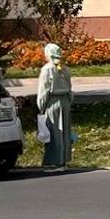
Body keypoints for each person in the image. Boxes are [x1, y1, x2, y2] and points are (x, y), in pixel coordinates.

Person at [37, 42, 74, 172]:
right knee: (65, 132)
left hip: (53, 102)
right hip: (65, 102)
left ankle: (54, 162)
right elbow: (70, 88)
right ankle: (63, 160)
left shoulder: (47, 69)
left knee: (54, 132)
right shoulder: (65, 68)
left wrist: (41, 106)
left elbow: (44, 90)